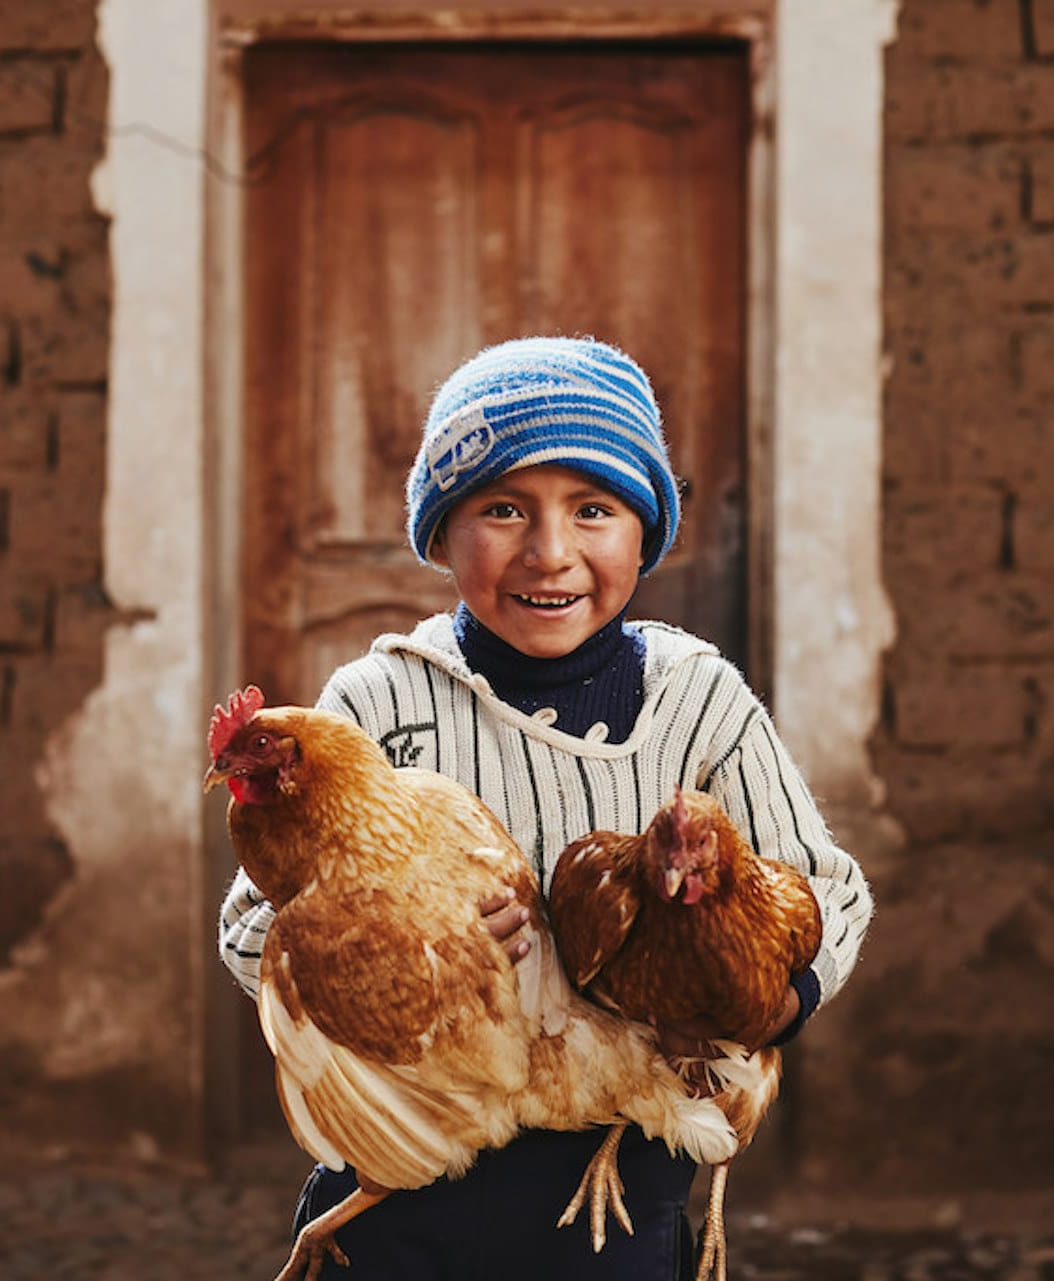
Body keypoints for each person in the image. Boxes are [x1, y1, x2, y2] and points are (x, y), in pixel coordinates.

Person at [218, 336, 873, 1280]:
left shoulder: (697, 702)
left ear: (645, 535)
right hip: (410, 1161)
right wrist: (407, 951)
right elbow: (252, 929)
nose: (550, 550)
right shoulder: (377, 703)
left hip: (614, 1166)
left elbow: (829, 891)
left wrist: (774, 1001)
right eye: (503, 508)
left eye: (594, 509)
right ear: (442, 533)